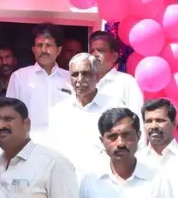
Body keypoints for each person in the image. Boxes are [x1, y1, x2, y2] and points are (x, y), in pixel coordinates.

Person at [44, 53, 143, 181]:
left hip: (105, 183)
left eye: (85, 74)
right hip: (68, 183)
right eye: (75, 75)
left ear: (96, 77)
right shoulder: (59, 112)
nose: (80, 79)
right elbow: (52, 150)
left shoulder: (114, 107)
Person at [6, 23, 71, 133]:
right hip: (29, 145)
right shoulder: (19, 77)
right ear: (33, 49)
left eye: (48, 45)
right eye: (39, 45)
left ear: (59, 50)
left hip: (62, 145)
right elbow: (9, 114)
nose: (44, 50)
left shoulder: (70, 78)